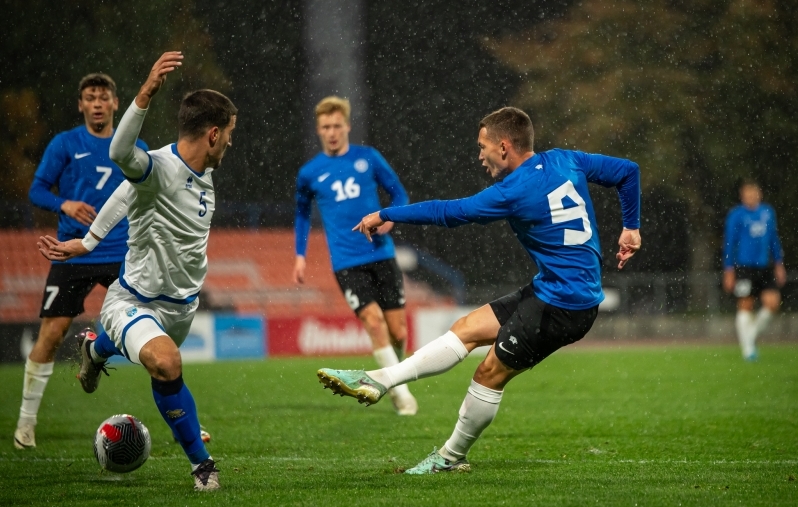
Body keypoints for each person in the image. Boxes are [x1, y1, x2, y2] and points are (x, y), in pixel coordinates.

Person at [317, 107, 641, 474]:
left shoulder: (513, 191)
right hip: (552, 290)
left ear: (504, 147)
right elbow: (628, 171)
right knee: (467, 328)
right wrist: (631, 227)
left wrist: (389, 213)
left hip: (564, 306)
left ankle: (449, 458)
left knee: (489, 373)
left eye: (482, 146)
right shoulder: (567, 160)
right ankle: (379, 379)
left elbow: (450, 212)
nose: (479, 155)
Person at [37, 51, 236, 491]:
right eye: (229, 136)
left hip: (180, 308)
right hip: (134, 300)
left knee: (161, 361)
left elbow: (126, 195)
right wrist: (145, 92)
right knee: (166, 364)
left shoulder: (199, 174)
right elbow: (119, 151)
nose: (230, 144)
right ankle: (202, 466)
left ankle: (96, 350)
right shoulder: (159, 166)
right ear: (214, 133)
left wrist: (89, 238)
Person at [14, 73, 148, 450]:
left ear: (116, 104)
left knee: (146, 329)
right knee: (52, 335)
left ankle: (96, 356)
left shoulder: (134, 147)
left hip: (121, 252)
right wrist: (65, 204)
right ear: (81, 105)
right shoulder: (65, 144)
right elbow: (37, 190)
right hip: (72, 251)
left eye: (104, 97)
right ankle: (26, 424)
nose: (98, 103)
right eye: (91, 97)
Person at [294, 96, 417, 415]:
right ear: (318, 130)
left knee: (399, 333)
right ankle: (402, 396)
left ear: (347, 126)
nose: (332, 132)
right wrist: (299, 255)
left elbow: (399, 193)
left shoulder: (368, 158)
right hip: (347, 261)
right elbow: (302, 214)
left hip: (381, 253)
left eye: (336, 125)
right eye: (325, 127)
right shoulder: (310, 173)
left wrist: (390, 218)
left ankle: (391, 377)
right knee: (374, 322)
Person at [722, 180, 786, 361]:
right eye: (747, 194)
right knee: (745, 305)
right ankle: (748, 350)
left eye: (753, 194)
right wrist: (729, 269)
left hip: (764, 266)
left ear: (759, 194)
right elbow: (729, 243)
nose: (750, 198)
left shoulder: (767, 213)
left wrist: (779, 263)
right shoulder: (736, 215)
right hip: (744, 267)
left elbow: (774, 239)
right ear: (742, 196)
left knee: (773, 303)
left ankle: (750, 337)